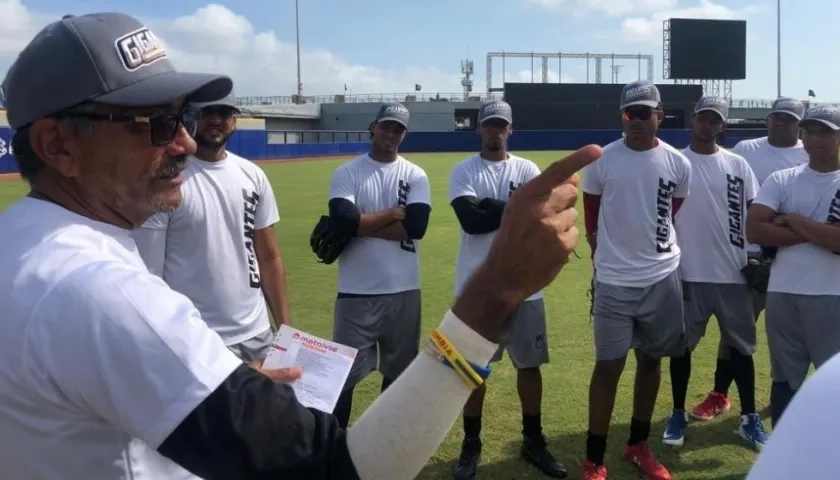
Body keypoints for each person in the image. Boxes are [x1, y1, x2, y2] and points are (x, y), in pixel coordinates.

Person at [0, 12, 602, 479]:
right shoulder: (101, 293)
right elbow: (342, 468)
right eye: (155, 125)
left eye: (179, 118)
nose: (183, 143)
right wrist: (497, 288)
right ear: (58, 145)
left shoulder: (25, 245)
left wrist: (215, 378)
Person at [448, 100, 567, 480]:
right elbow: (471, 220)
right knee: (472, 371)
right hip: (478, 288)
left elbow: (538, 220)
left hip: (525, 287)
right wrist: (516, 210)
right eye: (489, 125)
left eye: (501, 125)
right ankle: (471, 444)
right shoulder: (464, 170)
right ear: (479, 129)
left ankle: (533, 439)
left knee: (529, 367)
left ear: (510, 130)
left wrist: (493, 207)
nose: (495, 131)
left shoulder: (527, 169)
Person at [580, 80, 691, 480]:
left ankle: (638, 445)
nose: (637, 121)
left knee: (651, 360)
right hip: (614, 282)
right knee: (608, 366)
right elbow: (591, 220)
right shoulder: (602, 161)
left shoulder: (678, 163)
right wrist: (609, 261)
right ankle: (594, 459)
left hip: (662, 276)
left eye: (645, 113)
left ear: (660, 115)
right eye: (630, 113)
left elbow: (670, 210)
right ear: (622, 117)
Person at [132, 92, 288, 363]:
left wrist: (286, 330)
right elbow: (150, 273)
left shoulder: (253, 176)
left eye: (224, 113)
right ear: (189, 119)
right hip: (199, 339)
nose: (215, 119)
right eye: (206, 112)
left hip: (259, 334)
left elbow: (269, 257)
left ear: (234, 122)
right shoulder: (168, 180)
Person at [660, 97, 767, 451]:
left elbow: (753, 213)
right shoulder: (675, 162)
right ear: (693, 120)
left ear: (722, 125)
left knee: (741, 349)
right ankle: (677, 413)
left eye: (715, 120)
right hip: (687, 273)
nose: (708, 125)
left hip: (733, 274)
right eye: (703, 119)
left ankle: (749, 418)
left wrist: (758, 255)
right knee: (681, 348)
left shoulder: (737, 164)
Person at [692, 97, 808, 422]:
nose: (781, 122)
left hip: (797, 258)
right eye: (776, 117)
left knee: (792, 336)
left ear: (799, 125)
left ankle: (786, 398)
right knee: (735, 332)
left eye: (789, 118)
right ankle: (720, 394)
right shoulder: (747, 150)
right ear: (767, 119)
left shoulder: (811, 152)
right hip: (753, 257)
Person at [326, 102, 432, 429]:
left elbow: (417, 227)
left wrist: (360, 225)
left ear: (404, 134)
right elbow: (342, 219)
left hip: (404, 289)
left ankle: (382, 441)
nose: (391, 133)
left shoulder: (414, 174)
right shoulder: (348, 172)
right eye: (386, 126)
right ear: (373, 127)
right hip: (355, 290)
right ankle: (336, 443)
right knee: (342, 377)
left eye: (398, 129)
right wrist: (391, 214)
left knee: (398, 375)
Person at [745, 105, 840, 428]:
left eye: (826, 131)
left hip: (833, 294)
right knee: (784, 380)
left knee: (832, 383)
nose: (816, 138)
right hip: (783, 293)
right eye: (810, 131)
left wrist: (792, 220)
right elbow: (755, 230)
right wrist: (821, 233)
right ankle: (784, 453)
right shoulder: (782, 179)